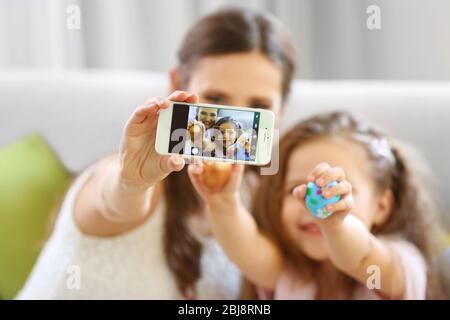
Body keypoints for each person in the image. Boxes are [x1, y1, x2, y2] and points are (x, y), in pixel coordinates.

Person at [17, 7, 297, 299]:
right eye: (215, 98)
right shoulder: (125, 173)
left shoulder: (260, 195)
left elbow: (287, 275)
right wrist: (131, 183)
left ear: (282, 111)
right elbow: (115, 202)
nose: (232, 123)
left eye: (259, 106)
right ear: (177, 84)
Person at [188, 111, 450, 299]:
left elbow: (360, 256)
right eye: (295, 189)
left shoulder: (397, 264)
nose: (312, 202)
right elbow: (246, 248)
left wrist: (335, 225)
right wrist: (223, 202)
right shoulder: (291, 274)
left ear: (381, 206)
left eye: (336, 188)